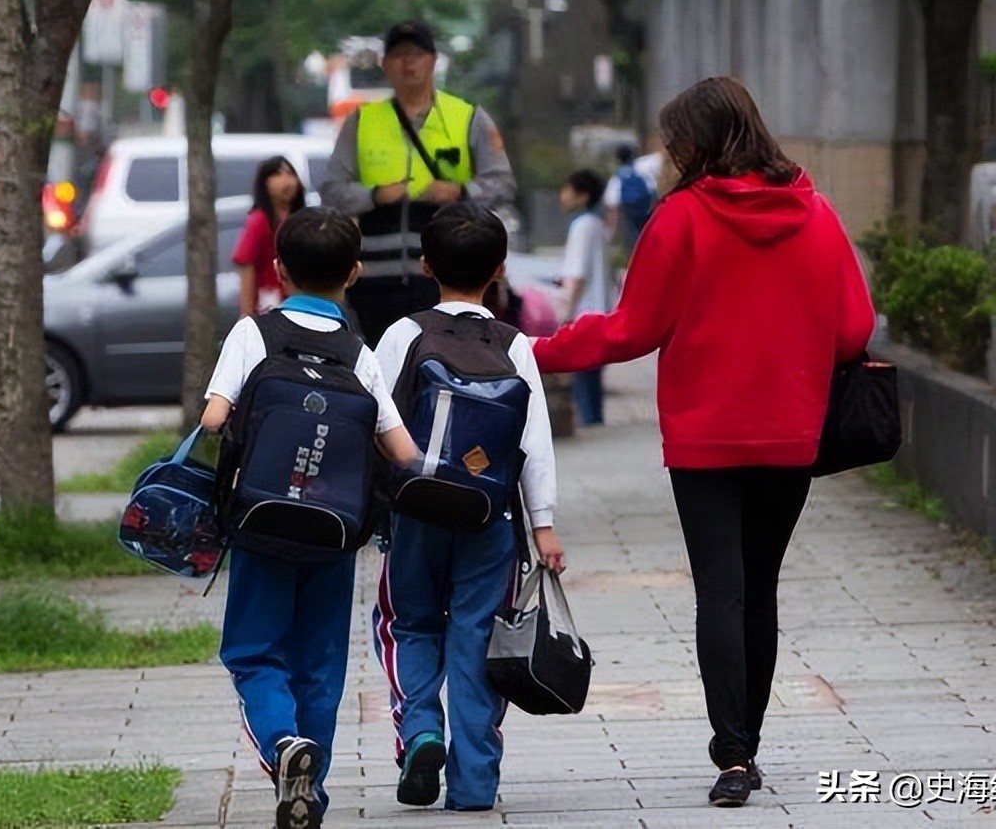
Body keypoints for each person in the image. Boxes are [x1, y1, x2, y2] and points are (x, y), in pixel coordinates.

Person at [530, 76, 876, 807]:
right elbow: (853, 329)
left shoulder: (681, 219)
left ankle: (734, 757)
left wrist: (534, 352)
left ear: (697, 143)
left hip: (705, 439)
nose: (666, 154)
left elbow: (632, 330)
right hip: (791, 434)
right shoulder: (816, 214)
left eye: (673, 141)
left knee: (720, 589)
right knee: (760, 591)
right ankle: (749, 741)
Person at [200, 207, 420, 829]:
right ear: (354, 273)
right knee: (320, 663)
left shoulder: (253, 334)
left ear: (278, 270)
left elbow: (215, 418)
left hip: (262, 524)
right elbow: (400, 450)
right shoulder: (359, 353)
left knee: (252, 651)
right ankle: (311, 787)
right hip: (335, 533)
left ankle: (281, 744)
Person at [372, 202, 565, 813]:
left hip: (416, 514)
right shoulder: (514, 345)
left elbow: (376, 423)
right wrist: (545, 525)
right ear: (501, 269)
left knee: (409, 624)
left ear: (425, 264)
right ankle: (475, 782)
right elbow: (534, 443)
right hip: (492, 522)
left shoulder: (404, 334)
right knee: (481, 639)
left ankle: (422, 730)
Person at [321, 20, 516, 343]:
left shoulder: (467, 117)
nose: (407, 62)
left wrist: (461, 192)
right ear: (385, 65)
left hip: (448, 277)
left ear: (433, 60)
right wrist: (374, 196)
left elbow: (502, 184)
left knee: (442, 360)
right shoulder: (362, 120)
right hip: (373, 280)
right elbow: (332, 189)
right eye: (398, 55)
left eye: (416, 54)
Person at [557, 169, 612, 426]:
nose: (562, 196)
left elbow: (577, 273)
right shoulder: (598, 225)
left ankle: (590, 424)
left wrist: (566, 311)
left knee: (581, 375)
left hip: (583, 311)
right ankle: (595, 421)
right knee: (593, 377)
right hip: (600, 309)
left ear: (582, 195)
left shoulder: (581, 226)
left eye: (567, 190)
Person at [232, 156, 306, 317]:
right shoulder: (259, 221)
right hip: (268, 303)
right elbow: (246, 264)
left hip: (299, 303)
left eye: (290, 173)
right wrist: (246, 313)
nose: (287, 181)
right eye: (278, 174)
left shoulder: (301, 220)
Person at [602, 144, 656, 248]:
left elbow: (612, 203)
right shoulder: (640, 171)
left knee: (635, 240)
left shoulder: (617, 177)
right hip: (646, 208)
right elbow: (652, 189)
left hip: (629, 213)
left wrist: (610, 232)